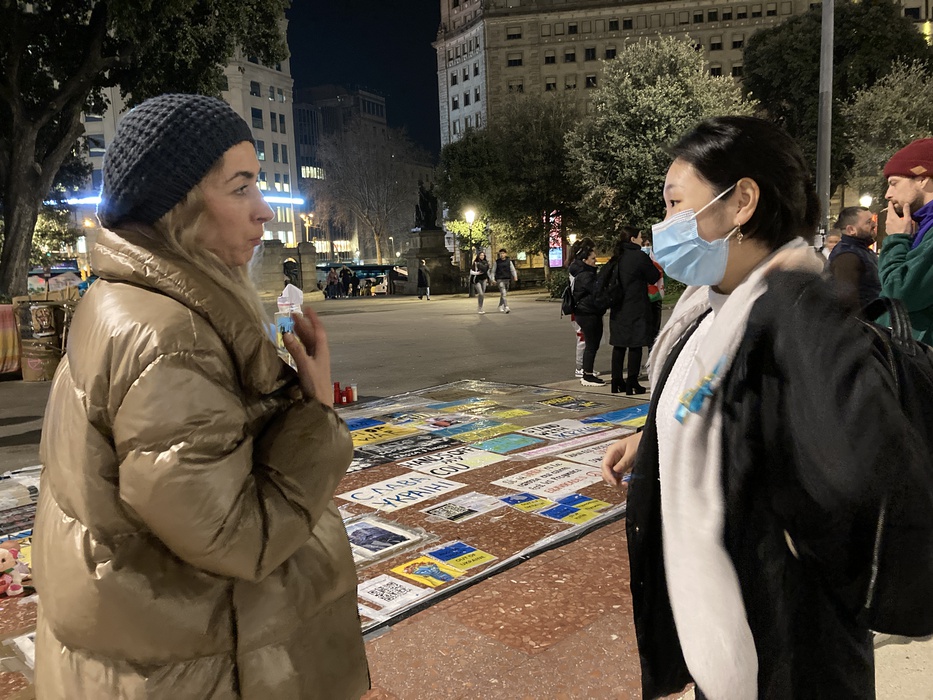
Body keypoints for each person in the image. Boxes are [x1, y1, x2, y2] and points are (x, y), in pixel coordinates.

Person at [33, 94, 369, 699]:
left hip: (153, 649)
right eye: (241, 187)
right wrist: (316, 414)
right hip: (194, 667)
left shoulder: (123, 299)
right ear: (178, 207)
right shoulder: (172, 336)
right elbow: (236, 536)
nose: (264, 210)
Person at [599, 115, 924, 700]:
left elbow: (860, 481)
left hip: (788, 650)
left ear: (741, 202)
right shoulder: (711, 307)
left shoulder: (799, 315)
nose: (664, 224)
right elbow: (710, 405)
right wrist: (653, 440)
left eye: (675, 203)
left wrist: (790, 534)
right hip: (729, 630)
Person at [879, 137, 933, 342]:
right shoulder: (922, 227)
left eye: (894, 183)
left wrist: (895, 239)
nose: (888, 194)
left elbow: (900, 296)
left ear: (922, 178)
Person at [604, 226, 661, 395]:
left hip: (618, 307)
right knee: (635, 345)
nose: (642, 240)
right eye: (640, 237)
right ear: (633, 239)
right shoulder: (639, 256)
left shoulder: (617, 256)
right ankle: (632, 382)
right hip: (636, 306)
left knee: (619, 345)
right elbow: (653, 276)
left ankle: (616, 381)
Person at [827, 206, 880, 313]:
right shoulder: (847, 256)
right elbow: (847, 302)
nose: (874, 224)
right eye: (868, 222)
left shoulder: (861, 251)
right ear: (851, 230)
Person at [570, 242, 607, 386]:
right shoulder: (585, 275)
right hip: (587, 313)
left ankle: (588, 373)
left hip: (588, 312)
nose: (595, 260)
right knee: (590, 344)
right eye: (593, 258)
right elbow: (596, 292)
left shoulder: (585, 273)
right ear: (585, 260)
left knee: (592, 344)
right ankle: (587, 375)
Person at [494, 248, 518, 313]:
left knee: (503, 293)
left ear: (505, 254)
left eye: (503, 253)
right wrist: (492, 279)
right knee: (503, 293)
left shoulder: (509, 261)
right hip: (499, 279)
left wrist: (515, 276)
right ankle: (506, 307)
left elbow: (512, 270)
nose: (502, 255)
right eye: (500, 254)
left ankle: (500, 305)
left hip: (507, 279)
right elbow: (493, 271)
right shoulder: (497, 262)